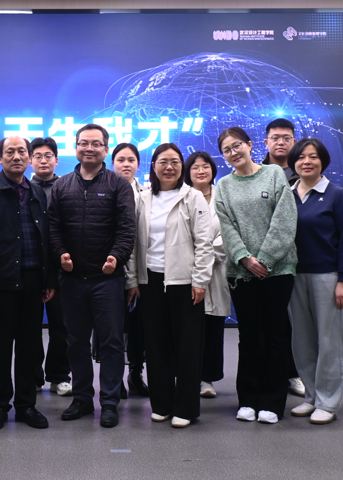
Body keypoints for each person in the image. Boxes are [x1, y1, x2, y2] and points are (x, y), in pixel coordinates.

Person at [48, 123, 136, 428]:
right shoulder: (61, 185)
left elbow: (127, 228)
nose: (89, 148)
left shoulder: (118, 185)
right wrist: (60, 254)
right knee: (76, 342)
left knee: (112, 343)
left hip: (107, 280)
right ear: (75, 147)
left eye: (96, 143)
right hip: (72, 280)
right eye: (83, 143)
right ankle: (82, 398)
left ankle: (109, 401)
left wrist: (117, 257)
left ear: (105, 149)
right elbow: (53, 227)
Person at [0, 136, 57, 430]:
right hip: (0, 282)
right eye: (10, 152)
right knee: (0, 346)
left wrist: (49, 279)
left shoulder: (36, 191)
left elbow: (46, 238)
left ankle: (26, 406)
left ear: (29, 157)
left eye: (22, 151)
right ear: (0, 157)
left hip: (33, 279)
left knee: (30, 346)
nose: (16, 156)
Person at [214, 127, 298, 424]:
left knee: (275, 335)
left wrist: (265, 259)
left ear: (250, 145)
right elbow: (226, 226)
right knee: (249, 337)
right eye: (227, 150)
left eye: (237, 145)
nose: (233, 152)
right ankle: (248, 400)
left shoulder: (274, 174)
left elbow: (285, 220)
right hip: (242, 273)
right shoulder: (224, 185)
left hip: (278, 271)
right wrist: (244, 258)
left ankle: (272, 403)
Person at [126, 143, 213, 428]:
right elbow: (133, 243)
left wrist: (200, 280)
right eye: (163, 161)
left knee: (188, 347)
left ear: (181, 166)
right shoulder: (143, 198)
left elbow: (204, 243)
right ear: (153, 166)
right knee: (156, 345)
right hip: (150, 281)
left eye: (175, 162)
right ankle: (161, 404)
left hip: (185, 282)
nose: (169, 167)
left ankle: (185, 408)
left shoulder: (192, 197)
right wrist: (133, 279)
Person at [286, 138, 343, 425]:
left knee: (329, 341)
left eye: (313, 156)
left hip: (328, 276)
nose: (307, 162)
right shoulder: (287, 195)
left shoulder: (336, 195)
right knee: (302, 340)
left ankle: (329, 402)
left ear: (323, 161)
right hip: (294, 276)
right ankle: (312, 396)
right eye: (301, 157)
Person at [260, 118, 303, 397]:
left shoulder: (305, 172)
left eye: (286, 138)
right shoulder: (257, 174)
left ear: (294, 142)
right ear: (266, 142)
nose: (280, 142)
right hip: (264, 260)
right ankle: (272, 373)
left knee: (297, 321)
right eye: (275, 138)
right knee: (270, 322)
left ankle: (294, 372)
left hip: (299, 259)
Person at [184, 151, 231, 400]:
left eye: (205, 166)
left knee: (213, 328)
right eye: (195, 167)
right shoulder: (182, 196)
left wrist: (204, 253)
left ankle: (207, 378)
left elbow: (230, 232)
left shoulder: (224, 196)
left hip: (217, 270)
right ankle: (187, 376)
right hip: (186, 272)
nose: (201, 171)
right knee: (189, 329)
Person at [30, 137, 73, 397]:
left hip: (60, 267)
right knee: (30, 327)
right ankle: (33, 376)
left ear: (57, 160)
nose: (43, 160)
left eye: (48, 156)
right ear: (30, 160)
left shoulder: (67, 187)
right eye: (38, 156)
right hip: (31, 268)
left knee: (62, 326)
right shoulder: (22, 188)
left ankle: (59, 376)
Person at [111, 142, 149, 398]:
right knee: (114, 328)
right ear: (112, 163)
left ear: (138, 164)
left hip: (143, 270)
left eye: (131, 160)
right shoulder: (105, 190)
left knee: (139, 327)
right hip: (112, 269)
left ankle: (136, 374)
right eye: (121, 160)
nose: (126, 164)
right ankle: (115, 380)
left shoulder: (147, 194)